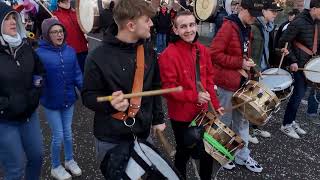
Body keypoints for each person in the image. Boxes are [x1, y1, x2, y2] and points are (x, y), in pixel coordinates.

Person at [81, 0, 165, 177]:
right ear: (131, 25)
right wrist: (110, 103)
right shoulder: (97, 57)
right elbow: (88, 96)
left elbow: (155, 87)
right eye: (147, 20)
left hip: (143, 134)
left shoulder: (148, 51)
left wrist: (158, 119)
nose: (151, 23)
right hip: (110, 138)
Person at [159, 10, 224, 180]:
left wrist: (215, 106)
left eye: (191, 25)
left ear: (196, 26)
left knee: (208, 153)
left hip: (205, 112)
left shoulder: (203, 50)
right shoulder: (168, 55)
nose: (188, 30)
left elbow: (209, 82)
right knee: (184, 152)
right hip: (181, 116)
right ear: (175, 30)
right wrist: (194, 96)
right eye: (183, 26)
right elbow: (168, 89)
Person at [210, 0, 264, 173]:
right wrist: (239, 62)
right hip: (226, 83)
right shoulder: (228, 27)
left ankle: (242, 155)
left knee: (242, 121)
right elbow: (214, 54)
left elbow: (240, 51)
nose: (254, 19)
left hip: (242, 82)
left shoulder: (246, 27)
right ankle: (222, 154)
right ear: (242, 9)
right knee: (224, 122)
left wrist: (248, 64)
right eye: (252, 14)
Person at [0, 2, 45, 179]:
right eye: (7, 18)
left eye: (14, 18)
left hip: (29, 116)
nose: (12, 21)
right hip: (5, 121)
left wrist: (35, 92)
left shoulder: (25, 47)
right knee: (16, 168)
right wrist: (5, 105)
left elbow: (39, 72)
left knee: (37, 157)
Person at [36, 18, 83, 180]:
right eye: (54, 32)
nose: (59, 35)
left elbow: (77, 74)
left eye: (61, 31)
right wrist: (36, 85)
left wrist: (88, 91)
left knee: (68, 133)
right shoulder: (39, 54)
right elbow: (35, 78)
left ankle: (69, 160)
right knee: (59, 135)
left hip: (69, 99)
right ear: (47, 35)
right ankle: (55, 166)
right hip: (51, 102)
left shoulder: (70, 51)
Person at [279, 0, 320, 138]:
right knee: (297, 96)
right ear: (314, 9)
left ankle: (292, 121)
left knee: (300, 95)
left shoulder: (317, 23)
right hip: (298, 66)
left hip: (309, 67)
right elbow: (283, 42)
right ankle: (286, 124)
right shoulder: (298, 22)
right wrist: (293, 61)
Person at [249, 0, 283, 143]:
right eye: (272, 11)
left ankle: (255, 127)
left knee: (261, 103)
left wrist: (280, 51)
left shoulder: (270, 27)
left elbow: (268, 49)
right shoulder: (253, 27)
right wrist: (253, 68)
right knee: (251, 101)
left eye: (276, 12)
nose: (275, 14)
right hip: (254, 70)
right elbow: (247, 50)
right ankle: (248, 130)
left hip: (265, 69)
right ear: (263, 11)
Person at [53, 0, 88, 73]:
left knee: (86, 74)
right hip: (69, 52)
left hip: (83, 49)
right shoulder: (55, 16)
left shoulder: (76, 13)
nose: (67, 2)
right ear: (58, 3)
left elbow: (83, 28)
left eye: (68, 1)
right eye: (64, 2)